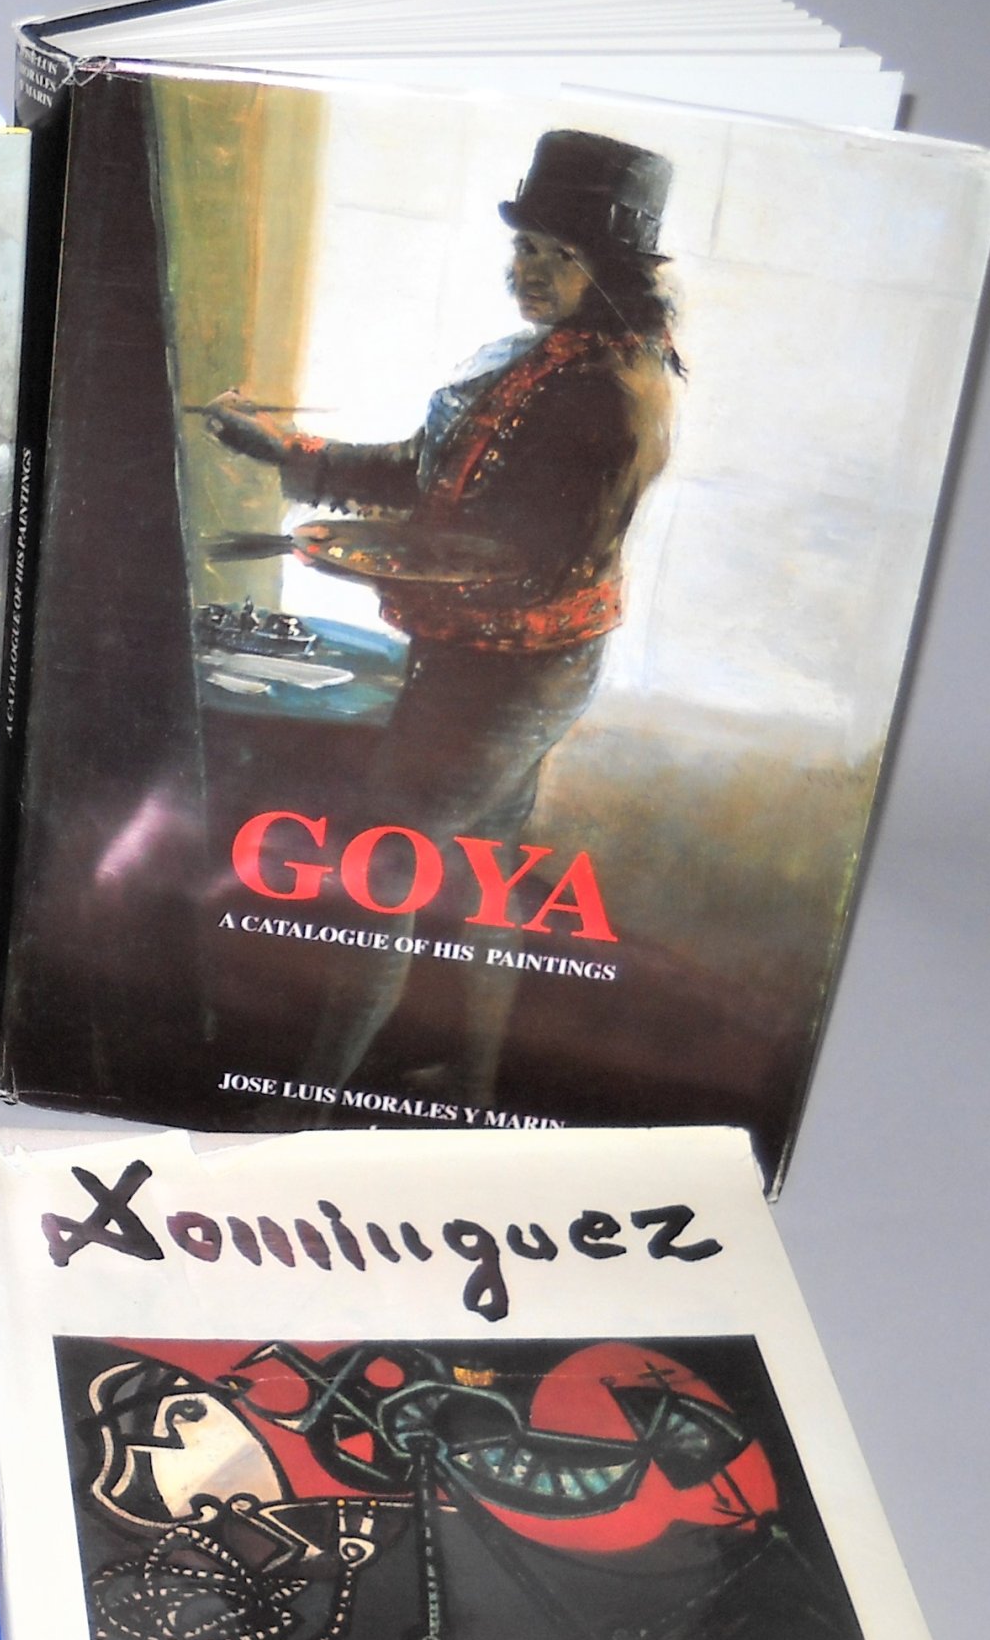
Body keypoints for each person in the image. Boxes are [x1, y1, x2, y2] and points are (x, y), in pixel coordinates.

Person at [203, 128, 680, 1108]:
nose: (527, 270)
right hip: (489, 662)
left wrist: (362, 556)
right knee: (485, 865)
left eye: (557, 254)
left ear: (613, 272)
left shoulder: (614, 395)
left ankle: (304, 1105)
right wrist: (287, 449)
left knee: (385, 862)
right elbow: (427, 474)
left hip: (515, 672)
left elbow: (529, 566)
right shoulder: (541, 357)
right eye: (524, 247)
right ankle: (470, 1077)